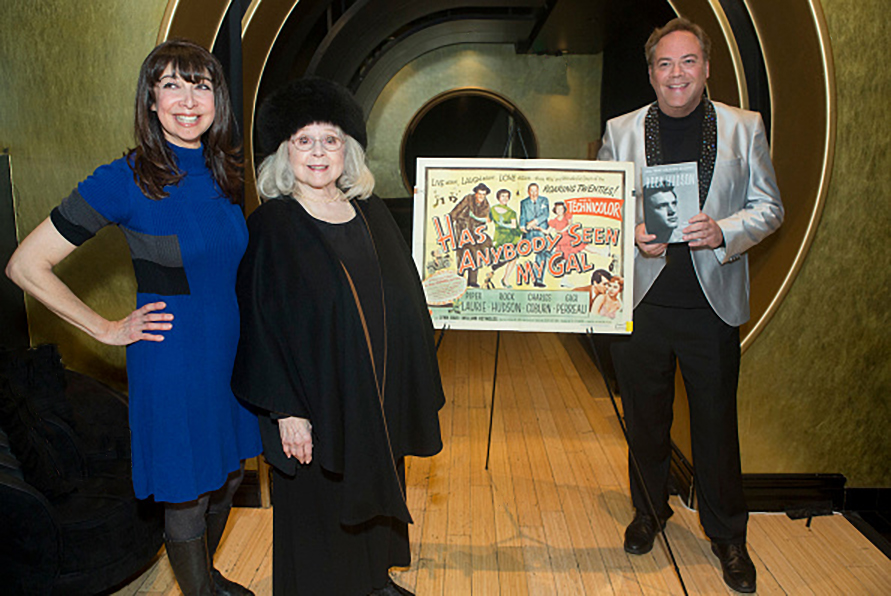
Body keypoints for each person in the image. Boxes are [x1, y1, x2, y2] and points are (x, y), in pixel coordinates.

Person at [5, 39, 262, 596]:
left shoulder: (221, 171)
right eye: (171, 85)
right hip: (173, 359)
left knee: (229, 476)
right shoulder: (123, 179)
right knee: (188, 492)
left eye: (200, 85)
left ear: (217, 98)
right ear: (150, 99)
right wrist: (106, 328)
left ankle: (209, 577)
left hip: (227, 355)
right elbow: (25, 265)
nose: (188, 100)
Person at [230, 77, 445, 596]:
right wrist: (286, 411)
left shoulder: (371, 213)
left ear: (348, 150)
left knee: (376, 489)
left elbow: (400, 295)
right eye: (304, 140)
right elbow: (258, 325)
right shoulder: (272, 225)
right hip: (314, 403)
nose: (318, 153)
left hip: (375, 393)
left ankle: (373, 581)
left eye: (330, 139)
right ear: (285, 153)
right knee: (320, 510)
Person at [597, 17, 783, 594]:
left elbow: (770, 208)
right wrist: (631, 235)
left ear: (706, 68)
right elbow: (599, 208)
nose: (676, 73)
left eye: (687, 61)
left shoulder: (744, 127)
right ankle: (649, 511)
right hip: (643, 304)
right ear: (651, 73)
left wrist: (724, 231)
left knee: (716, 427)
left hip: (711, 307)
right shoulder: (621, 131)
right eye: (664, 63)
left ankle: (728, 536)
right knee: (645, 422)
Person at [450, 182, 493, 288]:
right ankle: (460, 278)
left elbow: (482, 219)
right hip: (462, 228)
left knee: (475, 254)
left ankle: (472, 281)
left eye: (483, 194)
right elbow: (456, 210)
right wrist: (450, 222)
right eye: (479, 194)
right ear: (476, 193)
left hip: (475, 232)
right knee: (462, 253)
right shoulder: (468, 199)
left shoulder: (486, 205)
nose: (481, 196)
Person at [486, 188, 521, 288]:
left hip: (511, 237)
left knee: (513, 258)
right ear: (498, 198)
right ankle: (492, 270)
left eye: (507, 196)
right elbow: (488, 220)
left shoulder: (512, 212)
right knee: (499, 257)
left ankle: (505, 279)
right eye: (502, 196)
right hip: (499, 237)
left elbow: (514, 226)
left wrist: (503, 224)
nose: (505, 198)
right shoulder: (492, 209)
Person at [519, 182, 550, 287]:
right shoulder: (524, 202)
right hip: (529, 232)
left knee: (542, 253)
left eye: (535, 190)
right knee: (519, 250)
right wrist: (522, 226)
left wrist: (534, 222)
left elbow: (545, 214)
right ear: (528, 192)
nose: (533, 193)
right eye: (531, 190)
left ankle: (538, 279)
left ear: (538, 191)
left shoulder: (544, 200)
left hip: (541, 231)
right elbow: (522, 215)